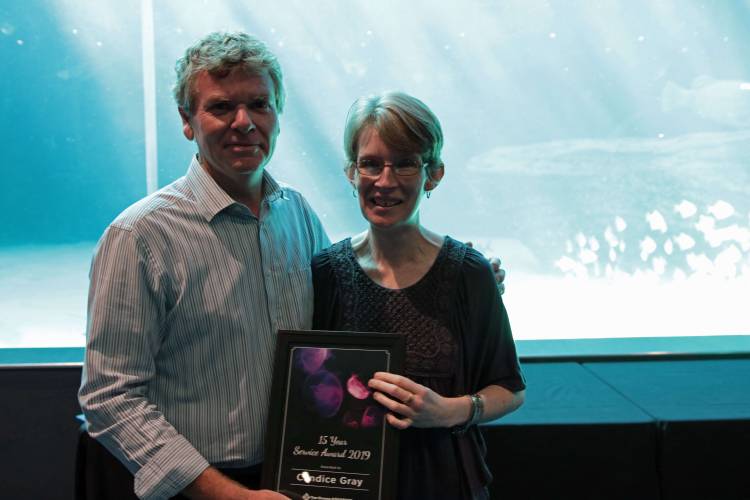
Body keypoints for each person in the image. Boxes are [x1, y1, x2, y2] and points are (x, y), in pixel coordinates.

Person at [78, 32, 327, 499]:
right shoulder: (139, 236)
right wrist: (231, 496)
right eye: (221, 107)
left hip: (286, 479)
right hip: (192, 490)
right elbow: (109, 397)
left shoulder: (298, 215)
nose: (244, 122)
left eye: (259, 104)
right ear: (186, 121)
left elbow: (333, 337)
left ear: (278, 112)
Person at [311, 91, 526, 499]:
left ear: (434, 174)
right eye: (371, 164)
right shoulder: (326, 273)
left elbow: (510, 388)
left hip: (447, 485)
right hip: (348, 485)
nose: (385, 181)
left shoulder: (470, 273)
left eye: (405, 163)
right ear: (351, 172)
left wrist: (450, 411)